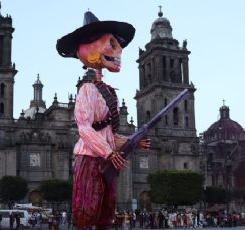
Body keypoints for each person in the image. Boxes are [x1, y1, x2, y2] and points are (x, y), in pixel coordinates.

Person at [56, 10, 149, 230]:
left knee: (106, 214)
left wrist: (132, 142)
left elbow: (109, 134)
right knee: (87, 211)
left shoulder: (109, 92)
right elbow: (85, 130)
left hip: (107, 161)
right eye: (109, 42)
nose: (117, 50)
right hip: (89, 160)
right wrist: (108, 153)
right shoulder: (87, 90)